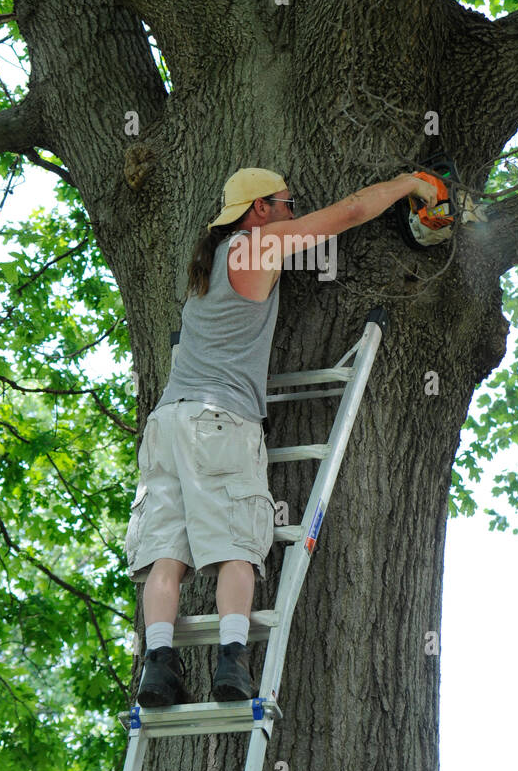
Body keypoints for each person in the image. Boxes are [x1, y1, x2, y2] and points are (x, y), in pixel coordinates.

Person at [129, 166, 438, 707]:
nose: (293, 212)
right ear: (260, 209)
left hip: (167, 425)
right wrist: (412, 184)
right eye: (287, 204)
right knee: (237, 548)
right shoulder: (254, 246)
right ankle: (231, 662)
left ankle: (158, 668)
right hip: (219, 422)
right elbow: (346, 214)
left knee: (165, 557)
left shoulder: (210, 263)